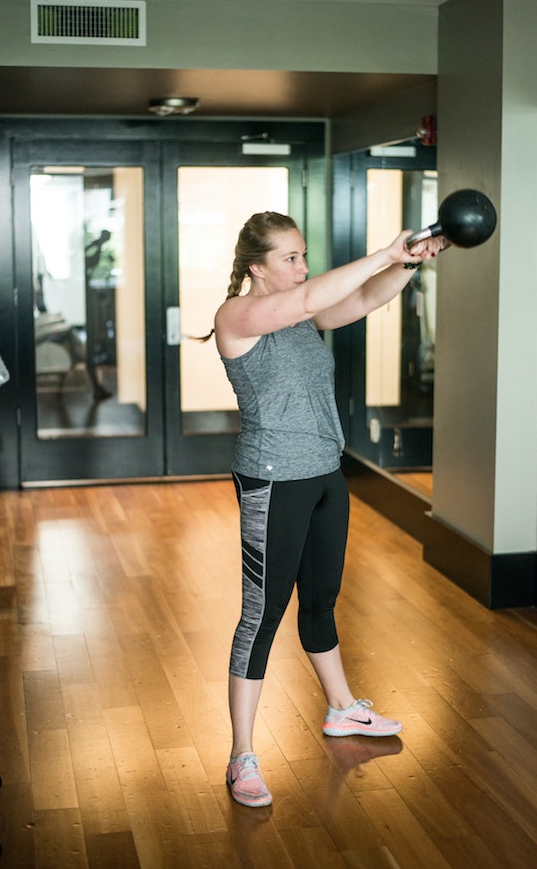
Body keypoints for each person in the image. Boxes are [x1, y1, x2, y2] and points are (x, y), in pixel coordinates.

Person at [213, 211, 445, 808]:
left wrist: (407, 265)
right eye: (290, 258)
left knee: (320, 599)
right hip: (273, 478)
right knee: (261, 614)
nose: (303, 267)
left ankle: (342, 710)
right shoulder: (238, 317)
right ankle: (242, 756)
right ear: (257, 267)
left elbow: (360, 299)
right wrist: (385, 250)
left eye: (303, 255)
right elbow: (318, 294)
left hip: (323, 474)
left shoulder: (302, 317)